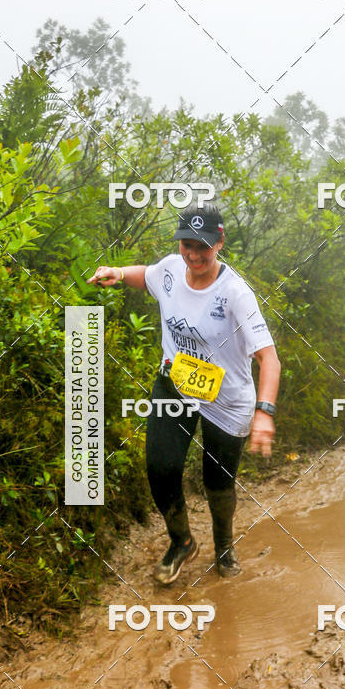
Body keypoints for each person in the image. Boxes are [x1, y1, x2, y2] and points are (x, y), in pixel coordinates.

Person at [88, 203, 281, 583]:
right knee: (160, 467)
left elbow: (269, 359)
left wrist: (264, 412)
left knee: (217, 481)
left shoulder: (235, 294)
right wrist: (117, 272)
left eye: (203, 246)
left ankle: (224, 546)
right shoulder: (172, 270)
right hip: (175, 383)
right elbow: (147, 276)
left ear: (220, 241)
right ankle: (182, 542)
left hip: (227, 398)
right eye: (187, 244)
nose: (194, 255)